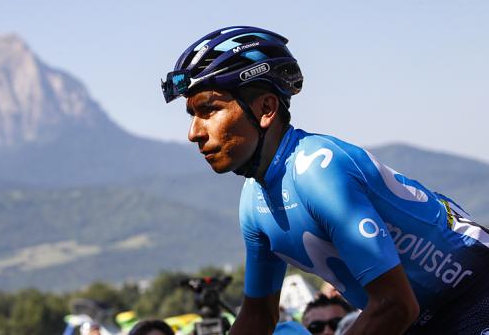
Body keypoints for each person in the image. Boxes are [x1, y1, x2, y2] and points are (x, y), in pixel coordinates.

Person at [161, 26, 489, 335]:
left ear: (266, 108)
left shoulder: (318, 169)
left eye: (209, 110)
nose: (194, 133)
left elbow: (395, 306)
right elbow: (258, 317)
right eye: (192, 115)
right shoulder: (253, 201)